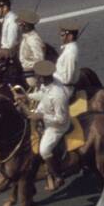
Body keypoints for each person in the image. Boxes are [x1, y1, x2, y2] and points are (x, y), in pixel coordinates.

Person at [23, 59, 69, 189]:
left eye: (37, 75)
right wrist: (27, 97)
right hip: (44, 114)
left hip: (56, 127)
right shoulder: (46, 84)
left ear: (43, 77)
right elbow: (42, 95)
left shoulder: (58, 95)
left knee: (44, 150)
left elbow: (61, 119)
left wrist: (41, 116)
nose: (36, 77)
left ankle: (58, 175)